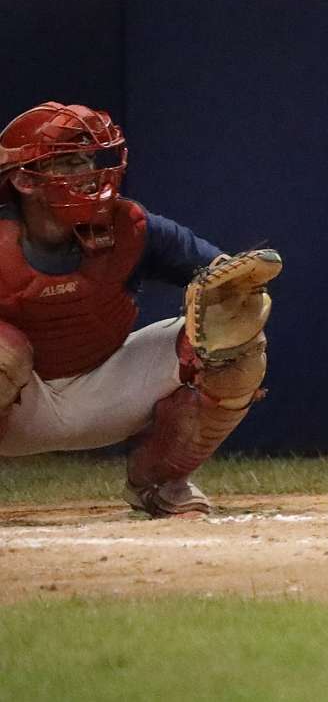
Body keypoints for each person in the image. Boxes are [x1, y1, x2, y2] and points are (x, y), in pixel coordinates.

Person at [0, 102, 278, 517]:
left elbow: (220, 273)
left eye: (89, 160)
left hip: (108, 389)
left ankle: (162, 481)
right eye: (69, 163)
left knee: (234, 346)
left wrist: (233, 290)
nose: (89, 173)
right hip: (20, 406)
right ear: (24, 179)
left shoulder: (129, 226)